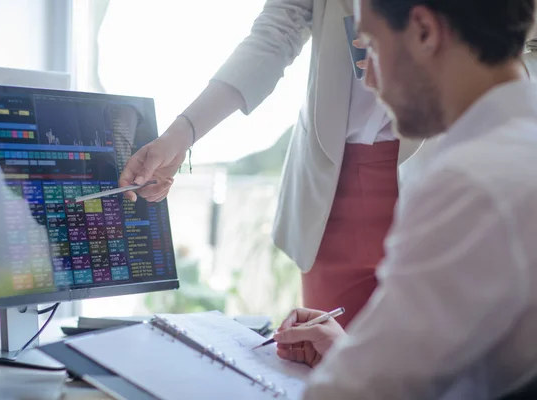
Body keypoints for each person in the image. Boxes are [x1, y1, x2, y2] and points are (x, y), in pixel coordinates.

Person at [272, 0, 537, 399]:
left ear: (424, 31)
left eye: (373, 46)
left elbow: (359, 393)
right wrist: (353, 354)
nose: (370, 80)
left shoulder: (467, 185)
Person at [120, 0, 423, 327]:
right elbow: (274, 35)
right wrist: (181, 134)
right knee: (326, 362)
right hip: (330, 191)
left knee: (437, 368)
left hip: (434, 178)